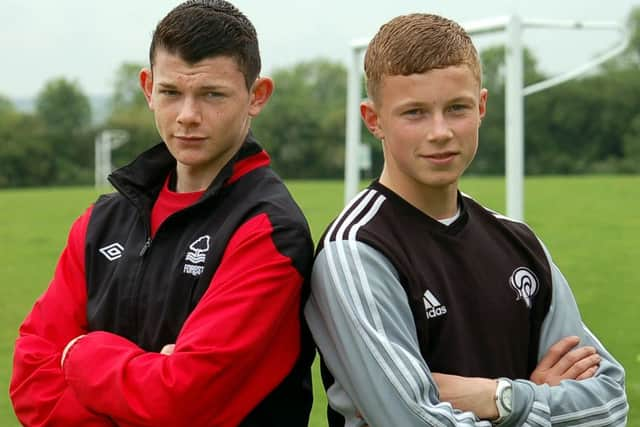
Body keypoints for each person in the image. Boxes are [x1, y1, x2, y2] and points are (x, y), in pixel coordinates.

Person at [304, 13, 628, 426]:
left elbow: (609, 403)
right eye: (415, 113)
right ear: (374, 120)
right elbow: (415, 422)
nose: (440, 132)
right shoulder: (355, 252)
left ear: (481, 107)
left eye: (456, 108)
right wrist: (538, 397)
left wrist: (501, 397)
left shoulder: (517, 242)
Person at [10, 1, 315, 426]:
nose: (188, 116)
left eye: (212, 94)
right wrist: (147, 378)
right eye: (172, 92)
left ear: (257, 95)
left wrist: (79, 354)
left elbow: (180, 402)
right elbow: (29, 380)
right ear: (149, 87)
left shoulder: (269, 231)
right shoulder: (101, 222)